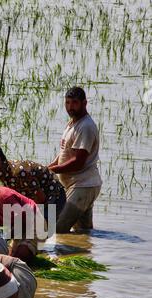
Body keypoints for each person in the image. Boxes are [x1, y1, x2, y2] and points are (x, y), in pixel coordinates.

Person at [0, 143, 66, 231]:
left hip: (54, 197)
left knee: (38, 230)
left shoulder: (19, 173)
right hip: (39, 199)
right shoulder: (2, 172)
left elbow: (41, 199)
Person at [48, 87, 102, 233]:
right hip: (78, 186)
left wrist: (53, 170)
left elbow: (78, 162)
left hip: (83, 186)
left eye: (74, 103)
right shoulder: (72, 123)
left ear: (84, 103)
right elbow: (64, 153)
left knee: (58, 228)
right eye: (67, 103)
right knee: (83, 233)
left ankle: (64, 254)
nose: (70, 107)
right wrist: (47, 168)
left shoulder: (86, 127)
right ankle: (87, 252)